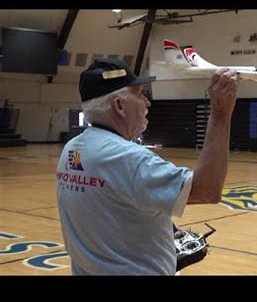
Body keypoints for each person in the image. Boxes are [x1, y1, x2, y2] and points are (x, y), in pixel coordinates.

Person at [56, 58, 239, 275]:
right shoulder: (128, 158)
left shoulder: (72, 150)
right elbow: (207, 190)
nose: (147, 102)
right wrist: (221, 114)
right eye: (140, 94)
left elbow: (108, 210)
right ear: (119, 106)